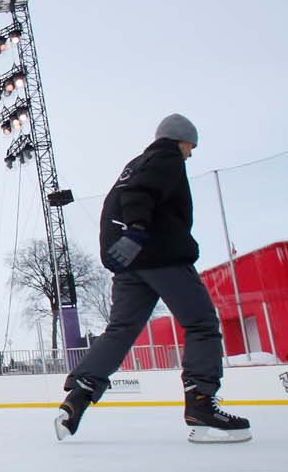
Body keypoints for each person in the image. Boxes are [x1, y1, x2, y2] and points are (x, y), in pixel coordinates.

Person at [56, 114, 251, 443]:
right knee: (202, 322)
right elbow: (139, 194)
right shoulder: (166, 158)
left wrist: (126, 243)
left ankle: (77, 397)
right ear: (183, 140)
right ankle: (202, 404)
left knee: (121, 329)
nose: (190, 154)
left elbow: (119, 199)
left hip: (130, 263)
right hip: (159, 255)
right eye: (191, 147)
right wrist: (138, 231)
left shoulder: (136, 163)